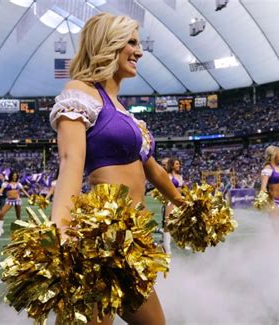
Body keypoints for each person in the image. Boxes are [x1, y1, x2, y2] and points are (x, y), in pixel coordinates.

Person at [49, 13, 183, 324]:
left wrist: (186, 205)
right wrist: (61, 229)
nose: (139, 51)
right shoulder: (81, 93)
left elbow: (154, 171)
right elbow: (71, 162)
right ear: (108, 45)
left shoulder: (125, 112)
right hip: (101, 241)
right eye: (131, 42)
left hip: (131, 242)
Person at [259, 146, 279, 228]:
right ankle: (275, 240)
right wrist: (266, 200)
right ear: (274, 155)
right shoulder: (268, 168)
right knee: (276, 225)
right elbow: (263, 187)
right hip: (273, 202)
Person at [0, 171, 30, 237]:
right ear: (11, 176)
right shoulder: (6, 184)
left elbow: (23, 191)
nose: (14, 177)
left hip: (17, 201)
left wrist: (29, 197)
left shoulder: (18, 184)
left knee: (18, 216)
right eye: (13, 175)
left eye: (16, 176)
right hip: (9, 201)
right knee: (1, 214)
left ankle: (20, 230)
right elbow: (1, 190)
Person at [163, 158, 184, 254]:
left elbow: (182, 189)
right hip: (171, 201)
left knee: (180, 222)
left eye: (179, 164)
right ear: (172, 165)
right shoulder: (168, 176)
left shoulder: (180, 176)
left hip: (180, 201)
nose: (178, 165)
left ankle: (181, 242)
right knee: (168, 224)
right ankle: (166, 246)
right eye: (176, 164)